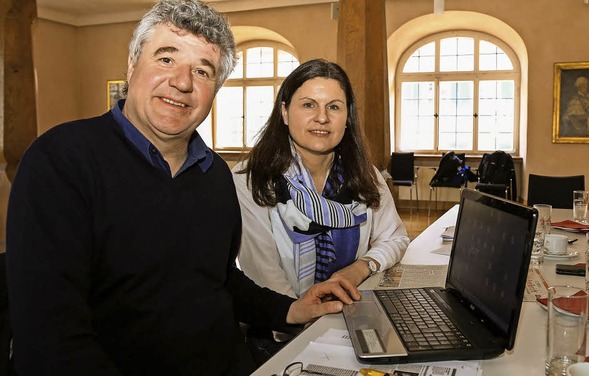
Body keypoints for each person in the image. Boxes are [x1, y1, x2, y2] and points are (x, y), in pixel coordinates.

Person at [5, 2, 360, 375]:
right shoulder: (61, 162)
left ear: (215, 90)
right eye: (166, 59)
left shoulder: (215, 175)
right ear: (131, 64)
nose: (183, 82)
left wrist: (291, 309)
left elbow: (220, 281)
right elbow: (52, 340)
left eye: (203, 71)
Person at [232, 59, 409, 361]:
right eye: (309, 105)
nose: (322, 118)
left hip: (351, 320)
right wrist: (317, 329)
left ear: (347, 118)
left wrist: (359, 268)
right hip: (282, 337)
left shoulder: (366, 174)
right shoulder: (250, 180)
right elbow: (267, 278)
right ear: (285, 112)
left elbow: (395, 239)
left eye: (334, 107)